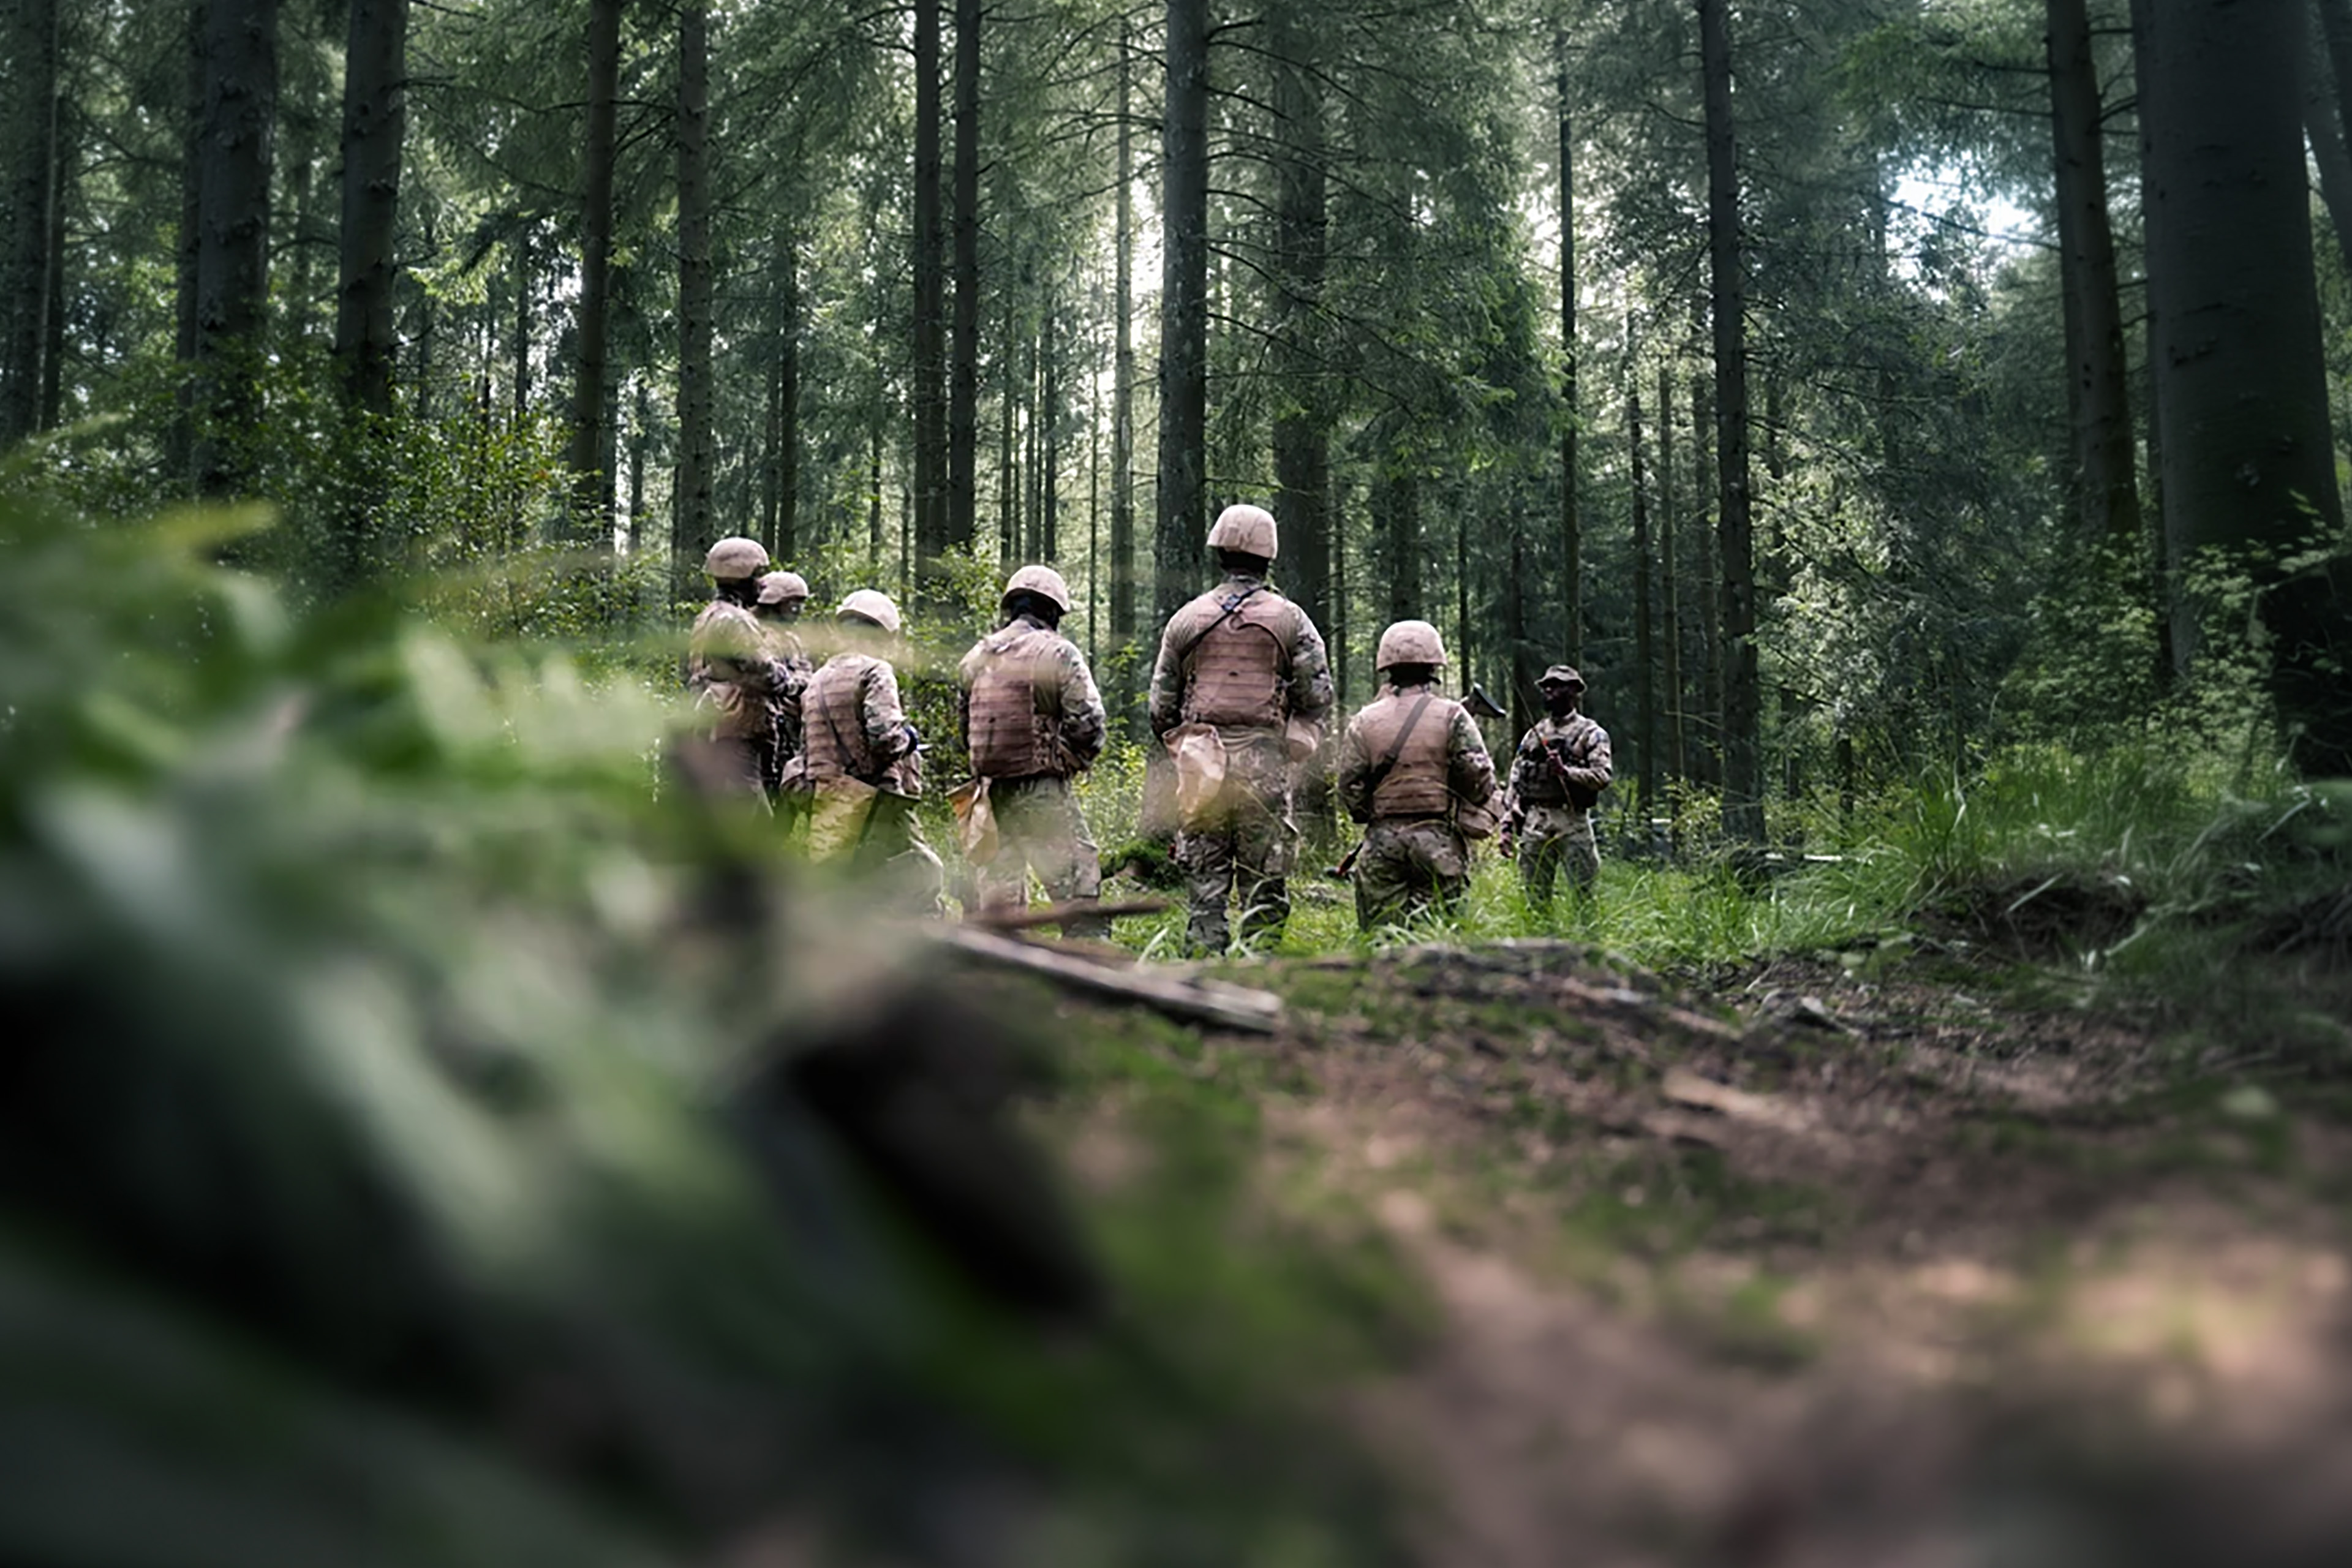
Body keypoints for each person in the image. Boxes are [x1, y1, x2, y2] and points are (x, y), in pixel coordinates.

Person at [1148, 502, 1334, 953]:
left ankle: (1202, 967)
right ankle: (1261, 965)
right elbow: (1318, 696)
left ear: (1220, 553)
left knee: (1205, 885)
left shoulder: (1186, 619)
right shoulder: (1291, 619)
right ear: (1268, 555)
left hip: (1200, 765)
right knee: (1264, 881)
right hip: (1263, 763)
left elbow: (1160, 708)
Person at [957, 565, 1110, 937]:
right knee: (1078, 895)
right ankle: (1088, 979)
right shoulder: (1058, 652)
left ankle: (996, 983)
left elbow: (965, 728)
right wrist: (1069, 757)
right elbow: (1090, 724)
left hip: (990, 796)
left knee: (999, 910)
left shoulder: (976, 657)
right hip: (1042, 791)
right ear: (1053, 611)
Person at [1335, 621, 1499, 931]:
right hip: (1437, 839)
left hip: (1383, 841)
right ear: (1433, 665)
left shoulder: (1364, 720)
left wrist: (1368, 813)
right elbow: (1476, 773)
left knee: (1383, 936)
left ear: (1387, 666)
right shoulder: (1453, 715)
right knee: (1437, 936)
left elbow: (1350, 784)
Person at [800, 589, 942, 913]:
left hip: (830, 802)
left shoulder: (817, 680)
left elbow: (807, 749)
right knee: (923, 871)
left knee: (847, 884)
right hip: (877, 799)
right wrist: (910, 739)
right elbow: (885, 737)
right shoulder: (875, 671)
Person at [682, 536, 801, 801]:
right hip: (736, 726)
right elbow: (763, 670)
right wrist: (795, 684)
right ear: (742, 576)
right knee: (744, 811)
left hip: (715, 722)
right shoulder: (736, 620)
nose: (763, 583)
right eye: (759, 575)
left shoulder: (709, 615)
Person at [1507, 663, 1613, 905]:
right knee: (1534, 896)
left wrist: (1567, 773)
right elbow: (1516, 775)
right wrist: (1508, 819)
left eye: (1555, 686)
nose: (1548, 691)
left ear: (1573, 691)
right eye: (1546, 686)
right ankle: (1537, 941)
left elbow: (1603, 776)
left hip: (1572, 820)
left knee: (1584, 896)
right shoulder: (1534, 734)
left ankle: (1585, 941)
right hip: (1536, 820)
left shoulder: (1591, 733)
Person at [753, 570, 815, 804]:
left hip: (790, 722)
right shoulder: (754, 634)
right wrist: (793, 684)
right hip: (761, 719)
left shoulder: (792, 640)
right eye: (792, 604)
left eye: (801, 604)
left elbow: (806, 674)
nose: (797, 610)